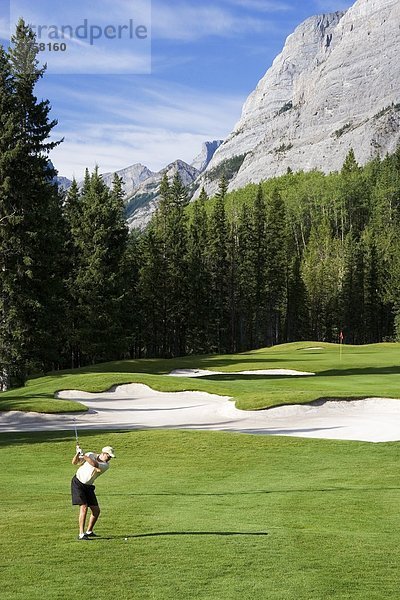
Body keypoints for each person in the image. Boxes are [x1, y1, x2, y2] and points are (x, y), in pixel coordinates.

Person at [71, 444, 115, 540]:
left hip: (89, 486)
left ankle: (89, 531)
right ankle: (81, 534)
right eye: (109, 456)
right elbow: (74, 462)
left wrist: (84, 456)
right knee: (84, 508)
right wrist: (78, 454)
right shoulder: (90, 454)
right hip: (78, 483)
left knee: (96, 510)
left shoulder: (106, 465)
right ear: (103, 453)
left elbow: (94, 464)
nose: (109, 459)